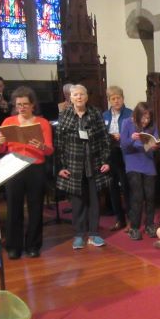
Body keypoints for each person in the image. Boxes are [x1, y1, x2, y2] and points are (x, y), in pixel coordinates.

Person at [0, 86, 54, 259]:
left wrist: (41, 146)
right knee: (14, 208)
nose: (22, 107)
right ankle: (13, 246)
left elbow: (49, 150)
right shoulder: (8, 122)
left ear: (33, 105)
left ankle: (33, 246)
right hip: (13, 166)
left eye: (25, 104)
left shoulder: (42, 123)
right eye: (19, 104)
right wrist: (0, 142)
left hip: (35, 167)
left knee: (35, 208)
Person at [55, 84, 111, 250]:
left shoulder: (95, 113)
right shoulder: (65, 115)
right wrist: (60, 166)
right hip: (73, 166)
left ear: (86, 97)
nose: (79, 97)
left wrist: (106, 161)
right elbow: (59, 143)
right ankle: (79, 234)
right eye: (75, 95)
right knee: (77, 203)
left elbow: (104, 139)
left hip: (93, 165)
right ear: (70, 98)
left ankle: (94, 234)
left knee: (94, 201)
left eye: (81, 94)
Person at [120, 102, 160, 241]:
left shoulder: (152, 126)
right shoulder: (127, 123)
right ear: (137, 115)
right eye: (143, 117)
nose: (145, 120)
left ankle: (150, 224)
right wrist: (131, 139)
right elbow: (123, 147)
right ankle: (134, 227)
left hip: (148, 163)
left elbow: (154, 143)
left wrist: (155, 146)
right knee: (137, 196)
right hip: (133, 163)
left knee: (150, 195)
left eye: (148, 118)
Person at [102, 86, 133, 231]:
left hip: (125, 153)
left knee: (126, 188)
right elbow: (102, 135)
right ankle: (119, 219)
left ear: (123, 98)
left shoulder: (130, 114)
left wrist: (122, 136)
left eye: (118, 97)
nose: (116, 101)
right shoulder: (105, 116)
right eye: (113, 98)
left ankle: (131, 219)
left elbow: (134, 134)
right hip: (110, 154)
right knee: (112, 187)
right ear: (109, 100)